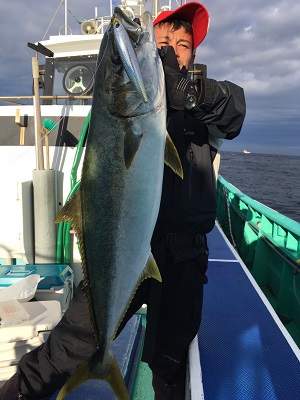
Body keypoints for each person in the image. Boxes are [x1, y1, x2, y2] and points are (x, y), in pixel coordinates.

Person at [0, 2, 245, 399]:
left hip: (181, 262)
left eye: (181, 45)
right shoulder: (126, 109)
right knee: (64, 347)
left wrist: (195, 91)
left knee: (168, 367)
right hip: (118, 255)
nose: (167, 50)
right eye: (161, 40)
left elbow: (235, 111)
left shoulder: (206, 110)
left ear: (193, 57)